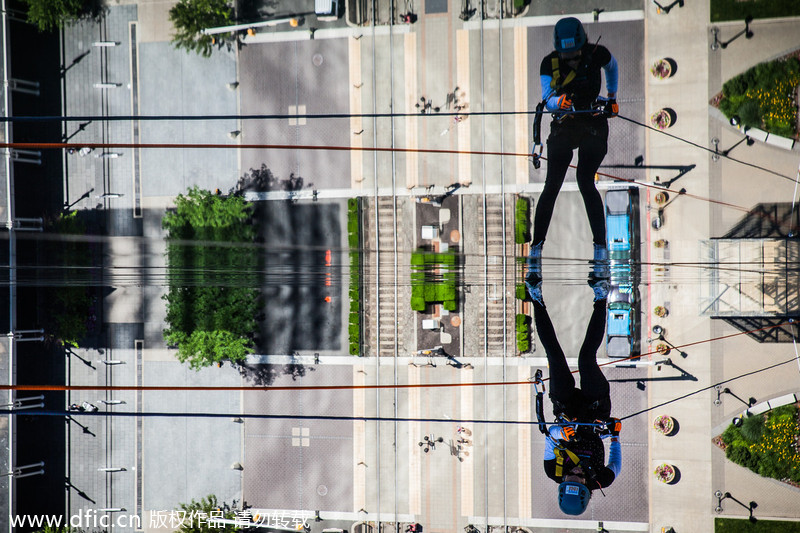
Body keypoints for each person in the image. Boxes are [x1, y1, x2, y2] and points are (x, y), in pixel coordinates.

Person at [527, 17, 619, 301]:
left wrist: (612, 96)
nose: (570, 59)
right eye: (565, 55)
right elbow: (546, 98)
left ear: (582, 45)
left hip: (591, 121)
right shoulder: (548, 64)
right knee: (551, 184)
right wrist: (559, 102)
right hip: (566, 123)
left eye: (574, 54)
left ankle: (600, 250)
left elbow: (612, 66)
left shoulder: (596, 54)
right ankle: (536, 249)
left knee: (585, 181)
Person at [533, 288, 621, 516]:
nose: (575, 471)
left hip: (567, 410)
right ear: (587, 487)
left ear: (562, 483)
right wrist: (614, 435)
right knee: (585, 358)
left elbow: (549, 436)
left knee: (554, 356)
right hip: (595, 409)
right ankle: (601, 298)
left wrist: (562, 434)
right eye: (580, 477)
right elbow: (615, 463)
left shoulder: (553, 470)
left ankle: (536, 299)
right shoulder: (602, 479)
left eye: (570, 476)